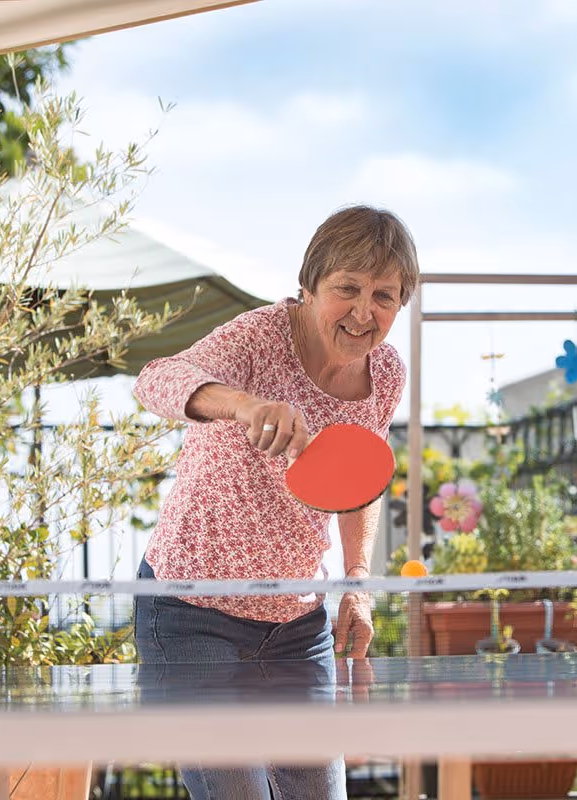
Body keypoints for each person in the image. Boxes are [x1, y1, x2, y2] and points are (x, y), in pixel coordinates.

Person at [132, 204, 419, 800]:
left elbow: (357, 481)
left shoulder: (385, 374)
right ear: (310, 286)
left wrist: (358, 583)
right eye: (348, 289)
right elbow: (154, 379)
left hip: (297, 624)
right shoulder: (259, 338)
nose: (365, 312)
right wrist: (245, 406)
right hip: (190, 610)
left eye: (385, 296)